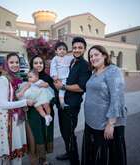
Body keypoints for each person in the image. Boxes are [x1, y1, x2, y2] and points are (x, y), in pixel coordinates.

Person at [81, 45, 127, 165]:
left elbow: (117, 98)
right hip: (92, 121)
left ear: (104, 55)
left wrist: (111, 123)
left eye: (96, 55)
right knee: (93, 154)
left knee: (106, 157)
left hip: (105, 123)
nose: (93, 58)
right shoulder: (94, 71)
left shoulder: (113, 71)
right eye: (91, 56)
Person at [0, 52, 35, 165]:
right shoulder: (3, 80)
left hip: (15, 118)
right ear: (6, 64)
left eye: (17, 62)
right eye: (11, 62)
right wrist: (24, 102)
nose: (15, 64)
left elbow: (15, 97)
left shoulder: (14, 78)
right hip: (5, 120)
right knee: (6, 155)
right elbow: (3, 104)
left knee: (16, 153)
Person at [54, 37, 92, 165]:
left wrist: (63, 87)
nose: (77, 50)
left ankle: (75, 160)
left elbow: (81, 87)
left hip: (71, 105)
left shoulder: (85, 65)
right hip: (62, 103)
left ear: (84, 49)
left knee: (69, 133)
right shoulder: (71, 61)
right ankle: (68, 153)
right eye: (75, 47)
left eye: (80, 48)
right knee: (64, 132)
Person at [25, 55, 59, 165]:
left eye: (41, 63)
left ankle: (43, 159)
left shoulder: (47, 78)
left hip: (46, 111)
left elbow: (55, 94)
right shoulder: (28, 78)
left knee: (45, 134)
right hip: (33, 112)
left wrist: (49, 102)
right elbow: (24, 93)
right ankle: (34, 160)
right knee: (35, 136)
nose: (38, 65)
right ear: (31, 65)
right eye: (36, 63)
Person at [50, 41, 73, 108]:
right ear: (56, 51)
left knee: (64, 90)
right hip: (59, 77)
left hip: (66, 77)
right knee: (61, 90)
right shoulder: (55, 58)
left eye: (64, 49)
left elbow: (73, 57)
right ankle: (62, 102)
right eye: (60, 49)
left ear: (66, 51)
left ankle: (62, 102)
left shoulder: (68, 58)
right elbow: (53, 67)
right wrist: (54, 75)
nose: (62, 51)